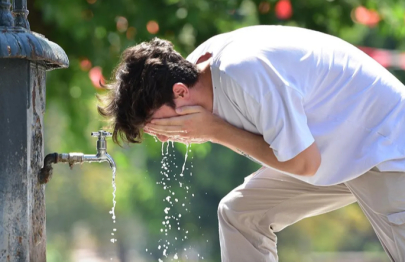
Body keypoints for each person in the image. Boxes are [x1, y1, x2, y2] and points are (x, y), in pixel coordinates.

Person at [98, 25, 405, 261]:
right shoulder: (199, 77)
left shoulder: (243, 73)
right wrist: (213, 128)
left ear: (180, 92)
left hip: (382, 141)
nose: (163, 135)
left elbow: (304, 163)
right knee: (240, 214)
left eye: (157, 123)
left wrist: (216, 130)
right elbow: (297, 155)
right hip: (325, 148)